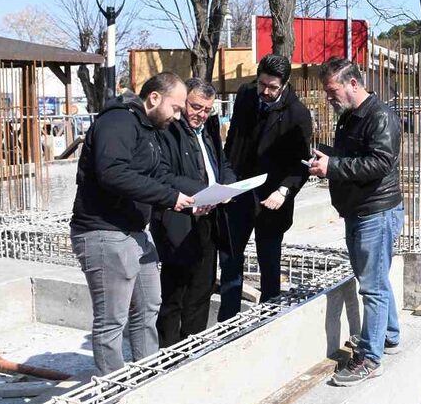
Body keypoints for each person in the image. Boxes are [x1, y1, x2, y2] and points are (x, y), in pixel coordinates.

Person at [70, 72, 194, 375]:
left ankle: (147, 378)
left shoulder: (148, 130)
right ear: (154, 98)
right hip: (104, 232)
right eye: (176, 108)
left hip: (135, 233)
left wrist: (197, 197)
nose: (178, 117)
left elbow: (159, 177)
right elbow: (113, 173)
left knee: (149, 308)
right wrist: (169, 196)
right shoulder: (118, 122)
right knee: (112, 320)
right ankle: (115, 390)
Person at [309, 57, 403, 387]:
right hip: (359, 211)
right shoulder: (349, 117)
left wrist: (332, 167)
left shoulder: (380, 117)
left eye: (332, 90)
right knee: (374, 277)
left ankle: (370, 357)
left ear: (353, 83)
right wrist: (325, 157)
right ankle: (389, 335)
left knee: (372, 286)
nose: (328, 98)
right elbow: (351, 158)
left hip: (376, 213)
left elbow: (378, 163)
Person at [220, 54, 313, 320]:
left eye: (273, 87)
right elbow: (233, 142)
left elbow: (301, 164)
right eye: (262, 84)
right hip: (238, 192)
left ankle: (267, 319)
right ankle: (228, 321)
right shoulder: (246, 95)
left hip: (272, 200)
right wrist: (227, 181)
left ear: (284, 84)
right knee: (230, 261)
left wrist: (283, 191)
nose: (266, 91)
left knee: (269, 264)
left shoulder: (298, 114)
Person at [151, 78, 236, 347]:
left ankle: (193, 345)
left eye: (207, 109)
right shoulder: (169, 127)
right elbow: (164, 174)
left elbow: (220, 163)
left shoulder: (209, 126)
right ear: (183, 101)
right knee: (174, 292)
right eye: (196, 107)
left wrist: (229, 185)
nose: (200, 114)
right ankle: (168, 349)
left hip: (210, 219)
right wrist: (201, 191)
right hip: (179, 220)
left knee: (202, 288)